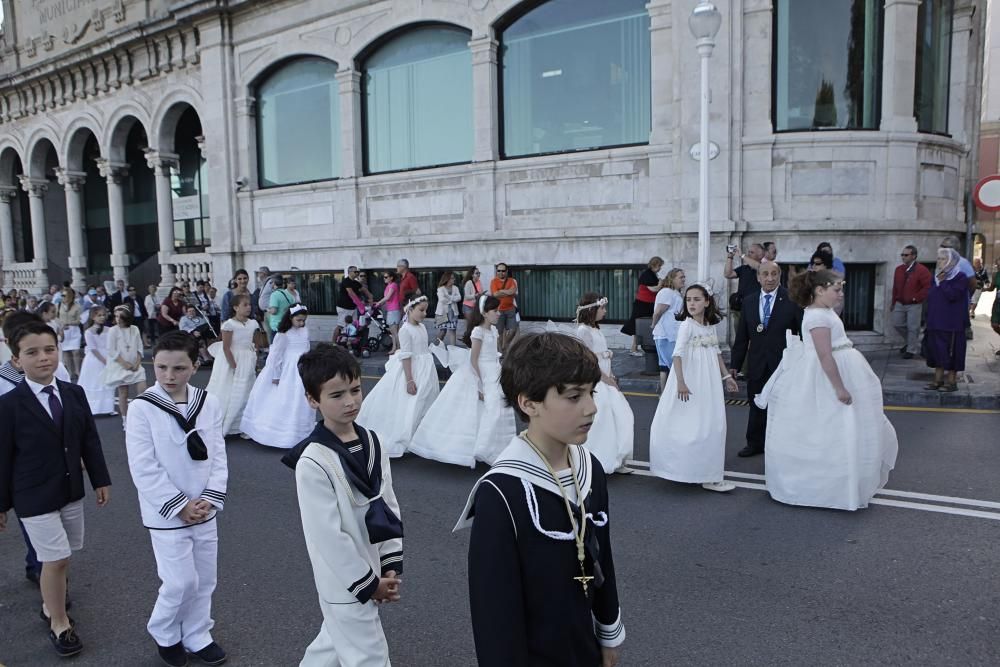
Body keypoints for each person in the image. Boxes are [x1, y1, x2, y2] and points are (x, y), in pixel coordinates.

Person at [454, 332, 625, 667]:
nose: (591, 408)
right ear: (528, 403)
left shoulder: (590, 468)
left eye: (591, 393)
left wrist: (608, 634)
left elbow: (602, 558)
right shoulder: (503, 492)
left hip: (584, 644)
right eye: (574, 397)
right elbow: (494, 613)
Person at [281, 345, 404, 667]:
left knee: (330, 648)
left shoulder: (374, 442)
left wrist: (390, 562)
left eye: (355, 390)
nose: (350, 401)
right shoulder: (314, 461)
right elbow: (326, 535)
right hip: (343, 580)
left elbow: (388, 504)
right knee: (369, 657)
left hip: (372, 564)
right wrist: (369, 583)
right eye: (336, 395)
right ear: (313, 400)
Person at [0, 320, 112, 658]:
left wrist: (100, 479)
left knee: (63, 557)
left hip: (69, 489)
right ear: (17, 360)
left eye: (49, 350)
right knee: (55, 556)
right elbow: (2, 457)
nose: (43, 358)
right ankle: (59, 622)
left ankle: (50, 606)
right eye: (31, 353)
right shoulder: (8, 405)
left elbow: (88, 440)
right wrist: (1, 505)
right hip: (32, 493)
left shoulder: (73, 392)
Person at [125, 332, 229, 667]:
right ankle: (165, 631)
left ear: (195, 366)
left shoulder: (207, 401)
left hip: (204, 507)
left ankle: (198, 634)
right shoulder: (142, 407)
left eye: (179, 368)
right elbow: (143, 466)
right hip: (166, 512)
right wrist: (179, 505)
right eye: (162, 367)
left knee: (205, 579)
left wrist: (209, 499)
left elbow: (217, 453)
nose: (169, 376)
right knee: (180, 581)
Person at [754, 270, 898, 511]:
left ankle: (842, 480)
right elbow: (824, 356)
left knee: (840, 427)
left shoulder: (823, 312)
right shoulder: (817, 317)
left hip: (843, 367)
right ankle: (827, 484)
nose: (841, 293)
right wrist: (840, 388)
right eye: (836, 289)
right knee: (830, 425)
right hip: (825, 377)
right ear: (819, 291)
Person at [649, 284, 739, 492]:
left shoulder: (709, 326)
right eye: (688, 299)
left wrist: (726, 376)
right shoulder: (686, 325)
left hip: (709, 380)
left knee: (711, 422)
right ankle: (685, 469)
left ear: (707, 302)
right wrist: (680, 381)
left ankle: (709, 473)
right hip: (690, 378)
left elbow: (716, 353)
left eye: (697, 299)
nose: (692, 303)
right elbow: (677, 354)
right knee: (690, 422)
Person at [410, 295, 516, 467]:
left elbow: (495, 354)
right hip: (480, 373)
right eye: (495, 311)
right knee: (481, 411)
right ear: (484, 313)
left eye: (498, 310)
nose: (498, 313)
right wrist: (479, 385)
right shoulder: (478, 332)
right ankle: (476, 449)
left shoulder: (494, 331)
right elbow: (474, 360)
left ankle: (494, 449)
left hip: (494, 372)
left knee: (498, 409)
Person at [729, 261, 803, 458]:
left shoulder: (791, 299)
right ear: (758, 277)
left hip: (784, 364)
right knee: (756, 404)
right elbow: (742, 337)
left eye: (774, 274)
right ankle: (754, 443)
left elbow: (803, 333)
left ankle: (783, 444)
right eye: (765, 274)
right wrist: (735, 365)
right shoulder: (750, 301)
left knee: (784, 406)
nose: (770, 278)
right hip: (757, 363)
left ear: (780, 276)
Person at [357, 296, 439, 457]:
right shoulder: (405, 329)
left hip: (425, 368)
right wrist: (409, 379)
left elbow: (422, 348)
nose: (424, 313)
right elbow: (406, 356)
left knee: (425, 401)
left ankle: (420, 437)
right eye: (421, 310)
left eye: (425, 310)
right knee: (412, 403)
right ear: (410, 310)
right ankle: (405, 436)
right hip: (413, 370)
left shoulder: (421, 327)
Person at [572, 293, 635, 475]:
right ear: (592, 309)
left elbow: (603, 356)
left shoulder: (596, 329)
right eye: (602, 308)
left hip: (607, 378)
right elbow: (589, 361)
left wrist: (612, 375)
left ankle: (616, 458)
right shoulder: (583, 331)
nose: (605, 311)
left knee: (619, 417)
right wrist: (607, 380)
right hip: (596, 382)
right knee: (602, 420)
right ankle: (598, 459)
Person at [240, 305, 317, 448]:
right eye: (299, 320)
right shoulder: (283, 334)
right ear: (290, 318)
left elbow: (306, 348)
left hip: (302, 368)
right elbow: (276, 356)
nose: (301, 323)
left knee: (301, 399)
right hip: (288, 370)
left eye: (303, 320)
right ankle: (280, 431)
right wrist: (276, 375)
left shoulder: (304, 330)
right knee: (284, 399)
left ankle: (301, 431)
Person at [205, 294, 259, 435]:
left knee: (247, 391)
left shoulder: (253, 323)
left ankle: (243, 425)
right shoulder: (229, 324)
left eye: (249, 305)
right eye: (245, 305)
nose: (249, 307)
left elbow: (253, 342)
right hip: (232, 359)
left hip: (247, 358)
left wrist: (254, 355)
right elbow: (226, 347)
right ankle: (222, 424)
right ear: (235, 307)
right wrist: (234, 366)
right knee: (229, 390)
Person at [924, 248, 970, 393]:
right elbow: (931, 296)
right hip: (936, 322)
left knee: (951, 353)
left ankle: (951, 382)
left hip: (952, 324)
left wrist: (943, 283)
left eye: (943, 259)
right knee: (937, 352)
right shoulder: (936, 277)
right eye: (938, 258)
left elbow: (953, 295)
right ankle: (937, 380)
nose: (940, 262)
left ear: (952, 261)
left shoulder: (960, 277)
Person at [102, 306, 148, 424]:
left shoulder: (135, 329)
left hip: (135, 365)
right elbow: (111, 350)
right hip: (120, 365)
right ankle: (125, 419)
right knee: (123, 393)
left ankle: (140, 416)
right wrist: (124, 364)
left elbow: (139, 346)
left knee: (143, 390)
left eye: (120, 316)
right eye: (116, 316)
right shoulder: (113, 330)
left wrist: (137, 362)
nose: (118, 319)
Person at [891, 246, 932, 359]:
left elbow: (928, 287)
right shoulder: (899, 269)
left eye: (906, 255)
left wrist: (917, 298)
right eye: (902, 255)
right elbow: (895, 287)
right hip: (900, 302)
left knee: (913, 327)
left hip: (914, 304)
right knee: (897, 323)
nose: (903, 257)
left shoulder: (922, 270)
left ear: (913, 256)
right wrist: (893, 301)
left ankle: (911, 349)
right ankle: (910, 343)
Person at [621, 256, 664, 356]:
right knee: (637, 325)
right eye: (659, 265)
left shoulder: (651, 274)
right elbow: (654, 289)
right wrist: (661, 283)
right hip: (642, 304)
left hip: (647, 303)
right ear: (655, 264)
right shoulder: (647, 274)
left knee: (641, 325)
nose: (660, 268)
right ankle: (634, 348)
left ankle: (636, 347)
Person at [651, 268, 685, 392]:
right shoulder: (667, 292)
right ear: (672, 278)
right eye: (680, 277)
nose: (683, 279)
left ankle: (664, 393)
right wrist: (653, 325)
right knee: (674, 365)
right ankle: (671, 393)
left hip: (669, 333)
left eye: (683, 277)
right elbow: (658, 311)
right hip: (666, 334)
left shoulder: (674, 293)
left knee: (664, 366)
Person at [78, 306, 117, 416]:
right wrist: (103, 360)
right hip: (94, 360)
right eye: (99, 315)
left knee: (107, 383)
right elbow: (93, 349)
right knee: (95, 383)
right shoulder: (89, 332)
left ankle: (108, 408)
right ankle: (93, 409)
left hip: (107, 356)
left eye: (103, 315)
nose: (102, 317)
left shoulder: (109, 330)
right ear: (93, 317)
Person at [334, 266, 371, 342]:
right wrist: (360, 305)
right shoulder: (346, 281)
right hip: (344, 307)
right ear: (350, 272)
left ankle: (351, 342)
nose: (357, 273)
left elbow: (365, 290)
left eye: (357, 272)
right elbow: (351, 293)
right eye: (355, 272)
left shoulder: (356, 283)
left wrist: (370, 298)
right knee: (341, 325)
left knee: (354, 325)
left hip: (353, 308)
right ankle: (333, 343)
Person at [489, 262, 519, 353]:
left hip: (510, 309)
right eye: (498, 271)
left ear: (506, 271)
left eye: (503, 271)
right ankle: (500, 353)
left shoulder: (512, 280)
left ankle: (505, 346)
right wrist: (507, 291)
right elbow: (495, 294)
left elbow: (513, 291)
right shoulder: (494, 281)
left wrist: (501, 291)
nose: (500, 273)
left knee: (513, 330)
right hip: (498, 311)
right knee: (499, 333)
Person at [724, 244, 764, 312]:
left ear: (760, 255)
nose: (748, 254)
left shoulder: (764, 267)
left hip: (756, 307)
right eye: (748, 252)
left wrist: (742, 255)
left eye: (752, 252)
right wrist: (730, 257)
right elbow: (728, 274)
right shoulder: (744, 268)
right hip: (742, 307)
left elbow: (759, 267)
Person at [57, 289, 82, 382]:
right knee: (66, 352)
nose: (63, 297)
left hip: (74, 330)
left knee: (76, 351)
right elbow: (56, 317)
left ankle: (77, 371)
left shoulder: (77, 306)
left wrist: (69, 323)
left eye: (65, 295)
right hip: (64, 330)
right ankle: (70, 372)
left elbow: (79, 320)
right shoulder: (59, 305)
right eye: (62, 296)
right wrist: (61, 325)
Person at [374, 271, 402, 354]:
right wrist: (378, 303)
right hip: (390, 310)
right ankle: (394, 348)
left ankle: (399, 348)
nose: (384, 279)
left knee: (394, 331)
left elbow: (388, 297)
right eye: (384, 277)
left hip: (394, 310)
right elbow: (386, 298)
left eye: (386, 277)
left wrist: (379, 303)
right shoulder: (388, 286)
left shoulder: (393, 285)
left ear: (391, 278)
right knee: (392, 332)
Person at [434, 271, 462, 347]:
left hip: (453, 313)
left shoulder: (455, 288)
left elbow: (459, 298)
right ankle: (435, 346)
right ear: (447, 279)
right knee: (443, 331)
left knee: (453, 331)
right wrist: (453, 299)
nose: (454, 279)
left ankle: (453, 349)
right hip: (442, 313)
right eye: (452, 278)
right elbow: (441, 299)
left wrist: (449, 298)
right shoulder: (441, 289)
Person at [267, 276, 296, 340]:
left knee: (275, 348)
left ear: (274, 283)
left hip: (277, 327)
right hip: (287, 326)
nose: (271, 284)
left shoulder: (274, 295)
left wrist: (268, 310)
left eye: (271, 283)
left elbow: (274, 311)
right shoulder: (289, 294)